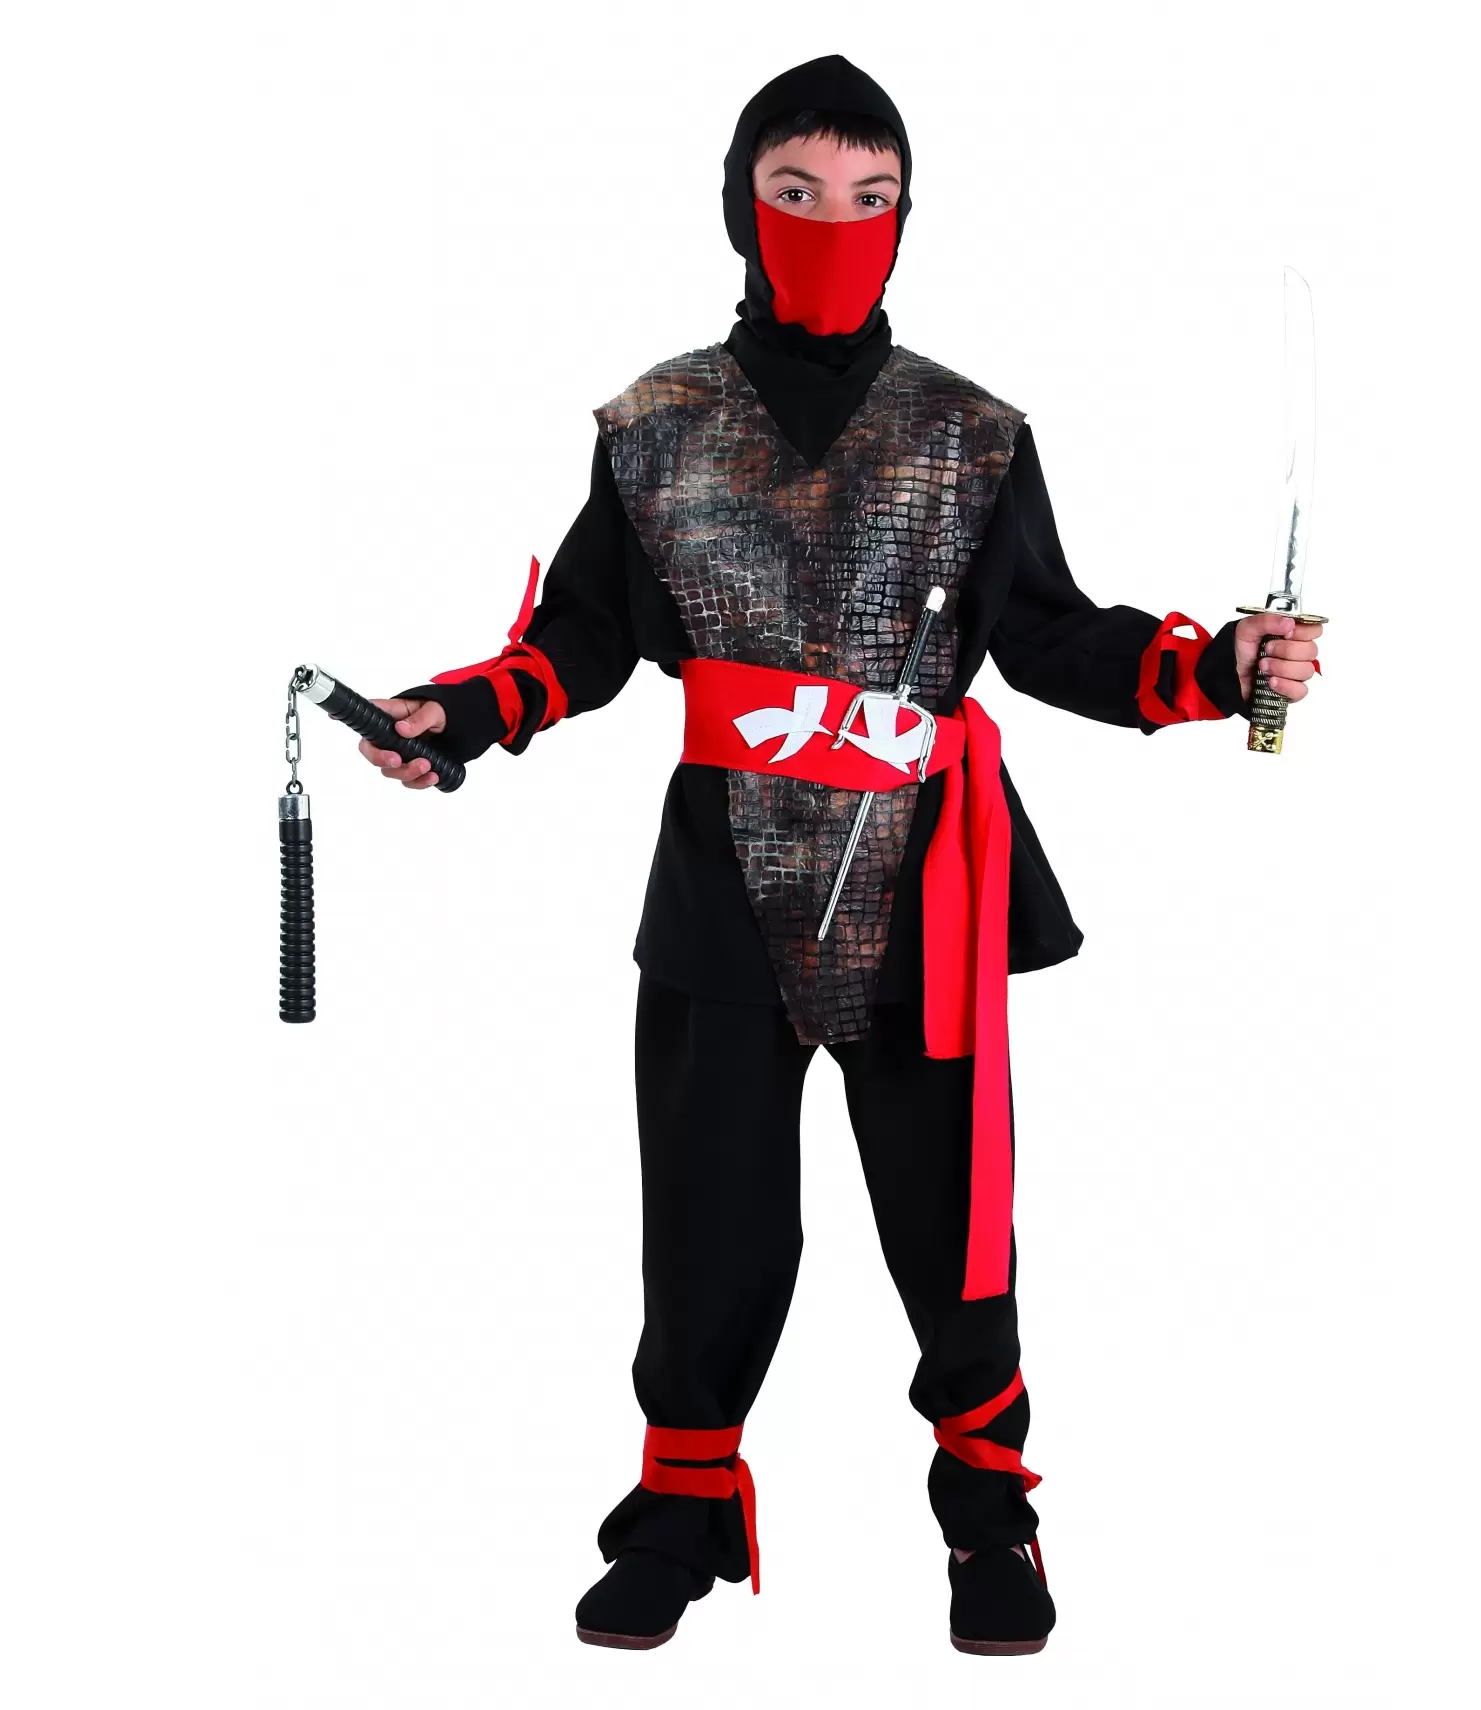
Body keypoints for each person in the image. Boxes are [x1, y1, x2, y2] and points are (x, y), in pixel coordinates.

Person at [359, 54, 1321, 1656]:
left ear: (905, 216)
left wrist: (1216, 669)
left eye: (869, 198)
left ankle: (989, 1507)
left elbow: (1052, 635)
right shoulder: (655, 424)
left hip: (922, 883)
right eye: (795, 192)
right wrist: (459, 713)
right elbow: (583, 636)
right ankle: (681, 1509)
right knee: (710, 1212)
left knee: (953, 1219)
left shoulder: (972, 432)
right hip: (722, 886)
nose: (831, 223)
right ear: (740, 207)